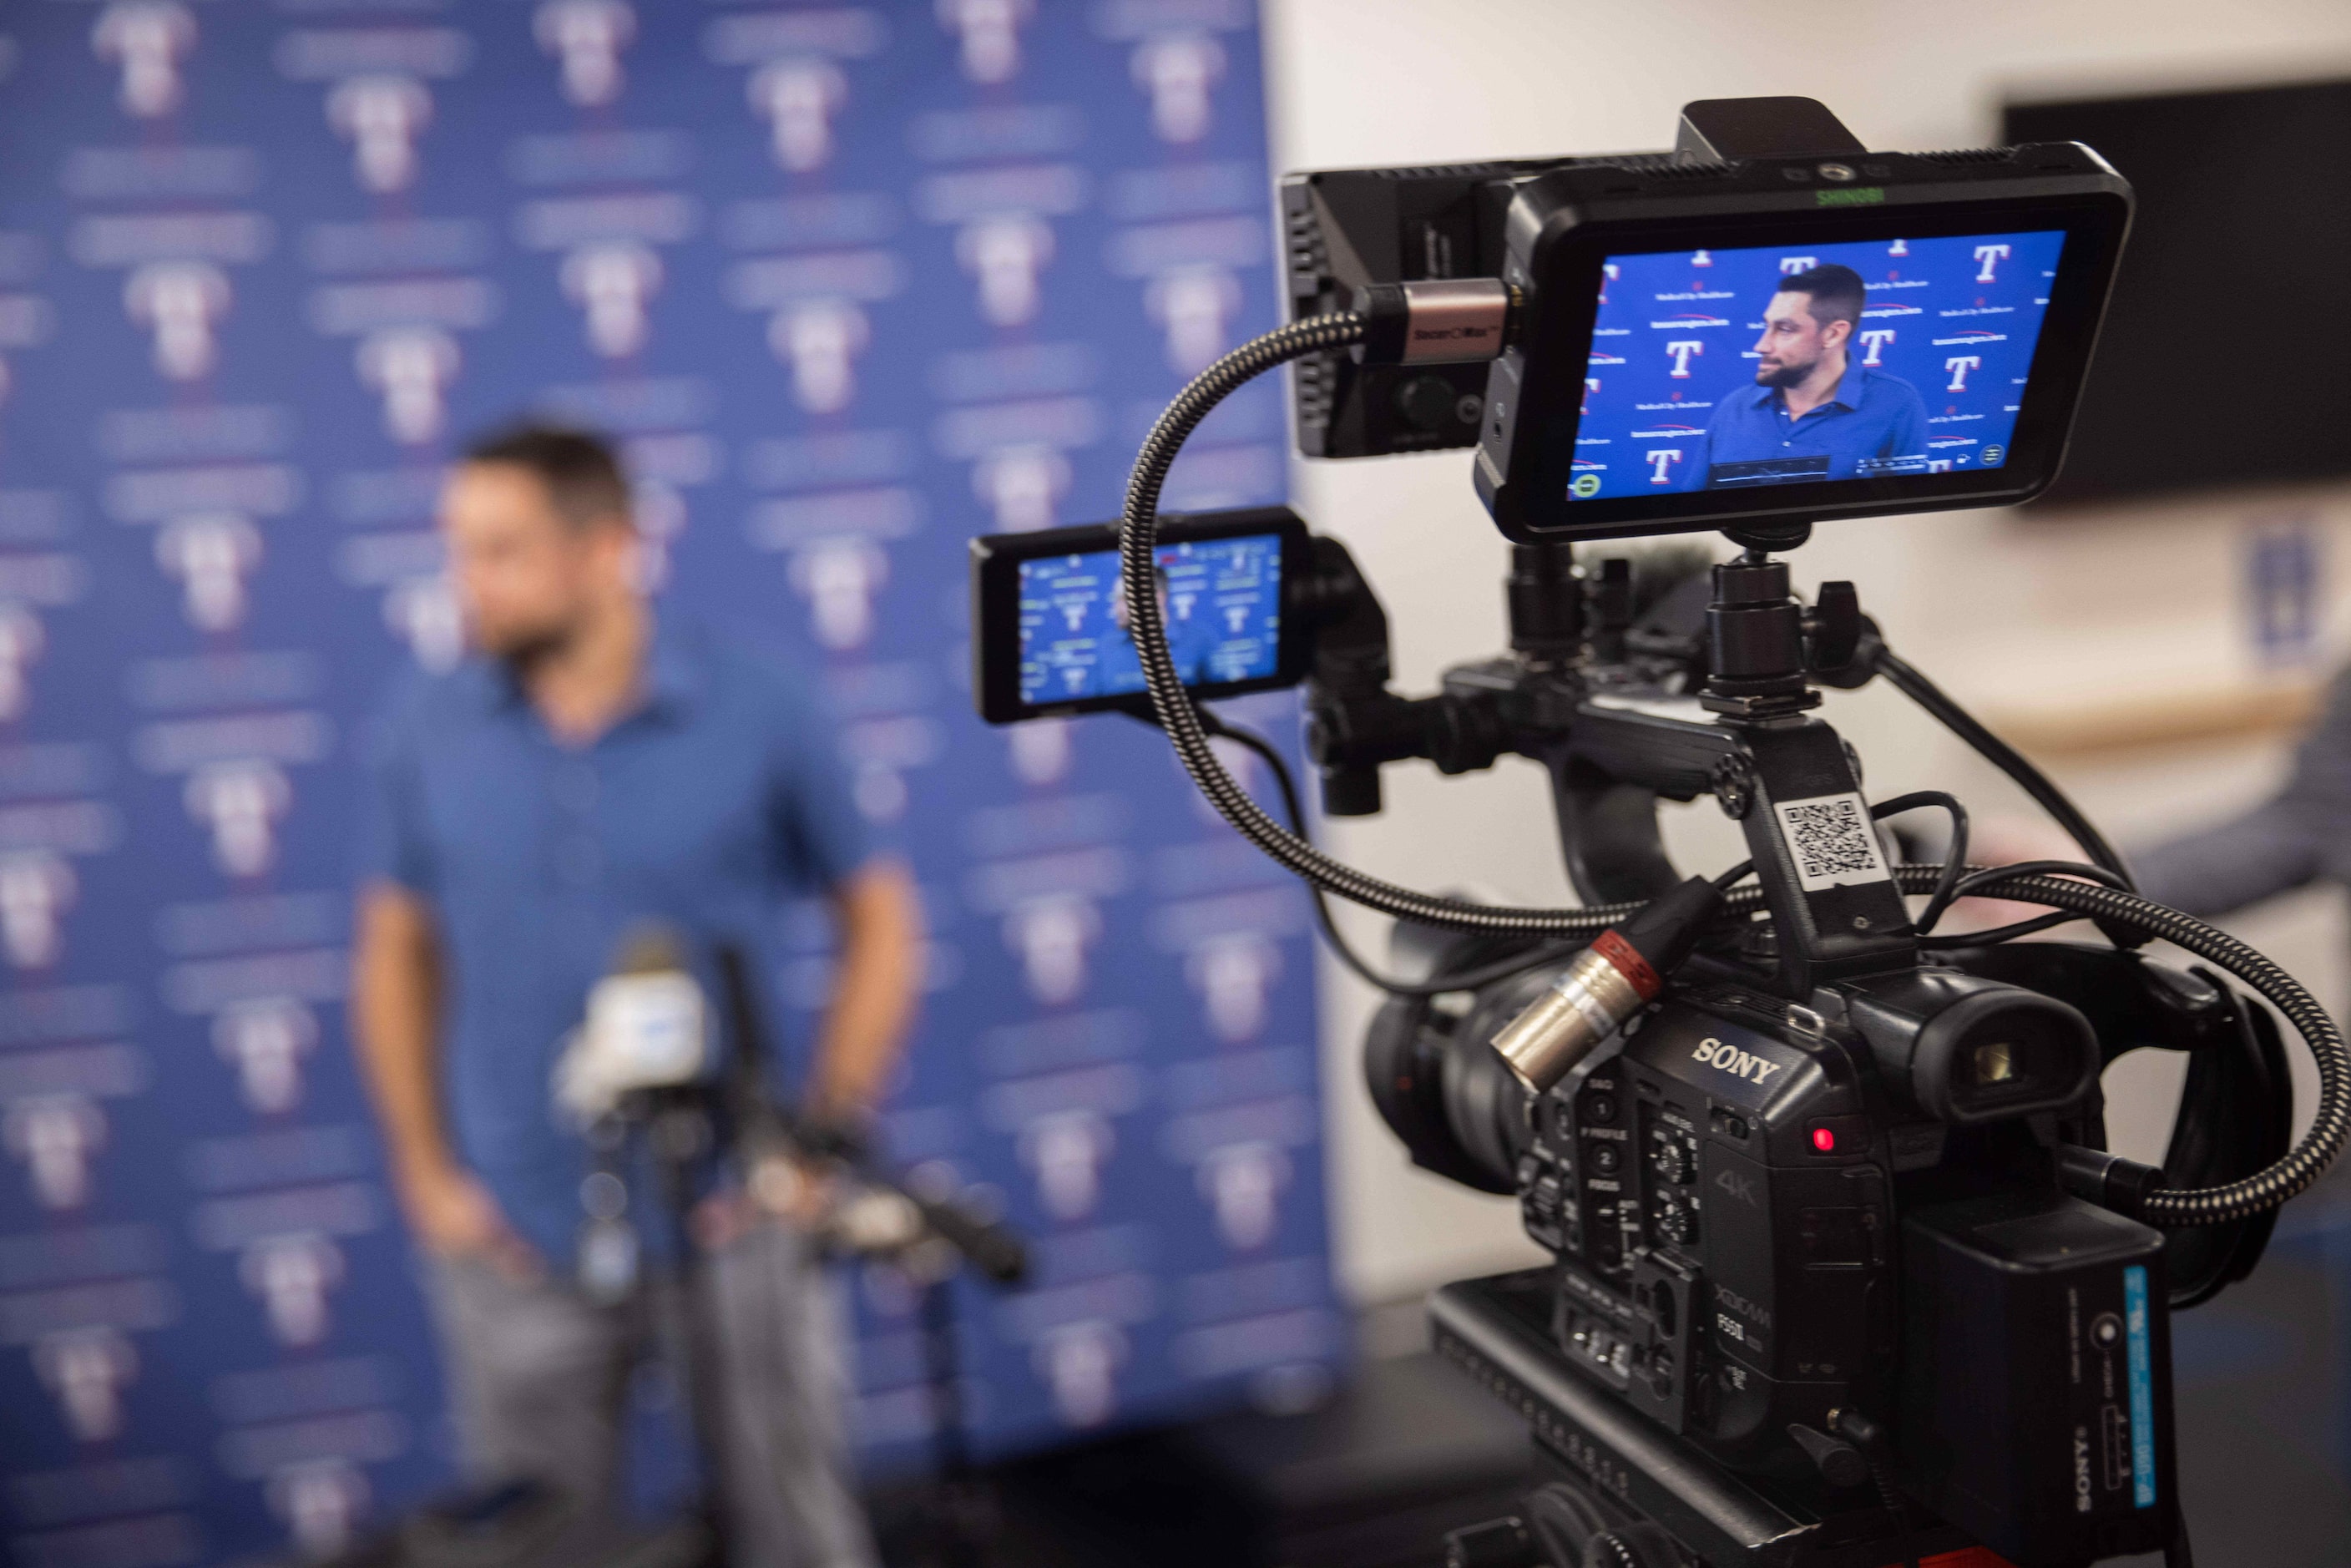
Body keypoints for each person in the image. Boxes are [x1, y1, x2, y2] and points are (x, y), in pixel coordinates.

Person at [350, 424, 922, 1568]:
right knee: (536, 1543)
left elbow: (882, 919)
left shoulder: (759, 704)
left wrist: (820, 1137)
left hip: (735, 1221)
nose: (470, 584)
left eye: (500, 550)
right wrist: (428, 1175)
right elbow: (393, 952)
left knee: (796, 1528)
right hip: (518, 1229)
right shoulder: (427, 724)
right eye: (460, 550)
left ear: (606, 546)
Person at [1690, 263, 1929, 488]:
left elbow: (1907, 509)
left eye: (1784, 329)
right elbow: (1694, 506)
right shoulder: (1735, 407)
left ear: (1833, 334)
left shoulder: (1897, 405)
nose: (1761, 346)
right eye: (1767, 327)